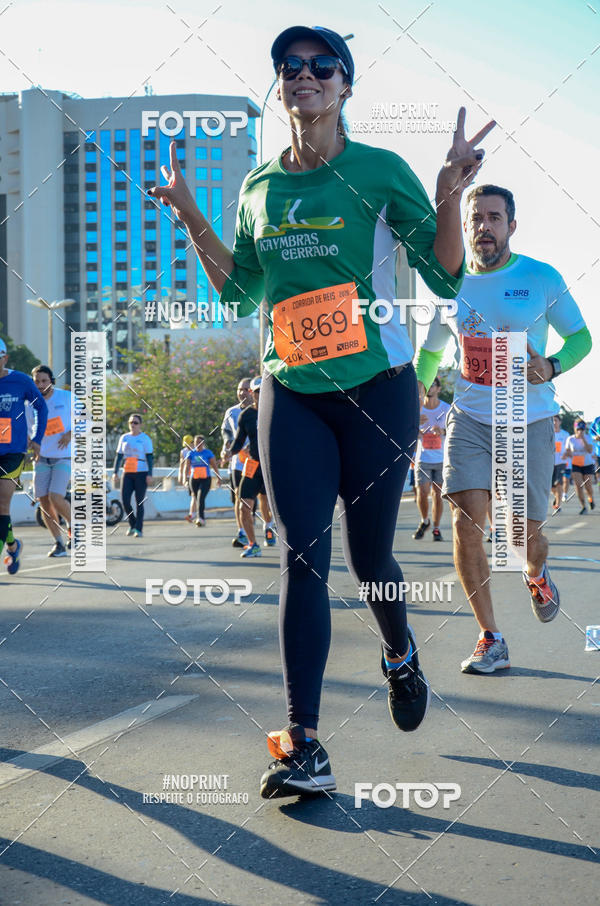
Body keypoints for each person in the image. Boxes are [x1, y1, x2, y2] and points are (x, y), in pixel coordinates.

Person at [150, 23, 493, 798]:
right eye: (288, 67)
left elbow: (442, 277)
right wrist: (190, 213)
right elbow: (238, 291)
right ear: (280, 88)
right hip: (291, 393)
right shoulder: (259, 188)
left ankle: (399, 653)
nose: (302, 75)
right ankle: (302, 743)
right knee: (301, 557)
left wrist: (450, 190)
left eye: (320, 66)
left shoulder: (379, 171)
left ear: (345, 85)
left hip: (378, 391)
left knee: (371, 562)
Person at [416, 183, 592, 674]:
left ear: (511, 225)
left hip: (530, 418)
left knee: (523, 538)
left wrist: (552, 366)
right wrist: (414, 391)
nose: (483, 227)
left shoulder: (540, 277)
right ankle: (490, 637)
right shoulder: (447, 284)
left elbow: (582, 338)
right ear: (465, 225)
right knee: (465, 523)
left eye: (494, 218)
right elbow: (430, 353)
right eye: (475, 218)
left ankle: (536, 573)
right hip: (469, 417)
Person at [0, 338, 47, 574]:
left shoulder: (20, 380)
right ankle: (12, 544)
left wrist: (37, 439)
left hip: (12, 452)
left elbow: (41, 407)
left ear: (5, 358)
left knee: (2, 502)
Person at [230, 377, 276, 557]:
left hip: (273, 466)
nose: (259, 394)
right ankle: (253, 544)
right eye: (256, 391)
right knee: (243, 506)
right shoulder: (246, 415)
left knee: (270, 504)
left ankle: (270, 527)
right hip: (254, 465)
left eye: (262, 390)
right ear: (252, 393)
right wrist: (228, 453)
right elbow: (239, 441)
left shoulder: (275, 411)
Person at [30, 365, 72, 556]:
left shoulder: (66, 397)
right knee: (44, 502)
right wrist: (31, 444)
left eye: (44, 380)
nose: (40, 385)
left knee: (56, 496)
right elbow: (27, 431)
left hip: (63, 456)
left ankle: (74, 527)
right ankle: (59, 543)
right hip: (41, 459)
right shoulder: (29, 404)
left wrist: (70, 434)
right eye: (37, 381)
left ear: (51, 380)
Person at [412, 376, 450, 541]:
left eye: (433, 384)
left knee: (438, 494)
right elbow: (404, 429)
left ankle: (436, 527)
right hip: (423, 457)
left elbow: (455, 431)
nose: (430, 388)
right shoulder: (416, 409)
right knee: (422, 492)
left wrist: (442, 432)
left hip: (441, 458)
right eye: (427, 385)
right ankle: (424, 520)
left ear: (439, 389)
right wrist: (415, 429)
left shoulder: (446, 408)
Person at [221, 378, 253, 547]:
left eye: (246, 389)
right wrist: (226, 445)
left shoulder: (259, 409)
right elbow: (226, 431)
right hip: (237, 462)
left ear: (252, 391)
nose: (242, 392)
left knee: (256, 500)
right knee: (238, 499)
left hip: (255, 461)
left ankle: (268, 526)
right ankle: (242, 532)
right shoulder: (231, 412)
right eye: (240, 389)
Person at [113, 413, 153, 537]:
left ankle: (138, 529)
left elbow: (150, 457)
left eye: (135, 423)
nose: (133, 425)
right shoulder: (124, 437)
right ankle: (133, 523)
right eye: (131, 422)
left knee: (139, 501)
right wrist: (115, 472)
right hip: (128, 471)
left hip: (141, 472)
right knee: (125, 500)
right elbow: (119, 456)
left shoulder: (145, 438)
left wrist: (150, 474)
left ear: (140, 425)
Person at [182, 434, 221, 526]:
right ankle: (198, 517)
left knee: (200, 498)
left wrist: (219, 478)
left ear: (203, 443)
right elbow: (186, 467)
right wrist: (185, 478)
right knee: (196, 498)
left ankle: (200, 518)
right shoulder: (191, 453)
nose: (197, 444)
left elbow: (214, 466)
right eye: (196, 442)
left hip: (205, 479)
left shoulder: (208, 453)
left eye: (200, 442)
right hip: (194, 479)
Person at [564, 420, 595, 514]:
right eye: (578, 429)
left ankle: (591, 499)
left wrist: (583, 439)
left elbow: (590, 450)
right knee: (578, 485)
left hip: (587, 464)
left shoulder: (588, 438)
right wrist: (568, 454)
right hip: (576, 464)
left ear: (584, 429)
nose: (580, 431)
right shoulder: (570, 439)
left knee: (588, 486)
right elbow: (567, 451)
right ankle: (583, 506)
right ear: (575, 429)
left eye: (582, 429)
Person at [551, 414, 569, 513]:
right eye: (552, 420)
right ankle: (557, 495)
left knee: (558, 483)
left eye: (556, 420)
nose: (554, 422)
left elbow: (569, 447)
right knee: (551, 486)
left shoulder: (565, 434)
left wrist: (566, 453)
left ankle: (558, 505)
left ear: (560, 422)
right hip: (550, 462)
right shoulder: (549, 433)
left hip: (561, 462)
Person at [178, 434, 196, 522]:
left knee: (194, 495)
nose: (189, 445)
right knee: (193, 495)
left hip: (197, 475)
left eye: (191, 443)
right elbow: (181, 464)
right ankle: (193, 514)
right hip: (188, 477)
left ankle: (193, 514)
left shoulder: (197, 451)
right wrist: (181, 476)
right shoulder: (183, 452)